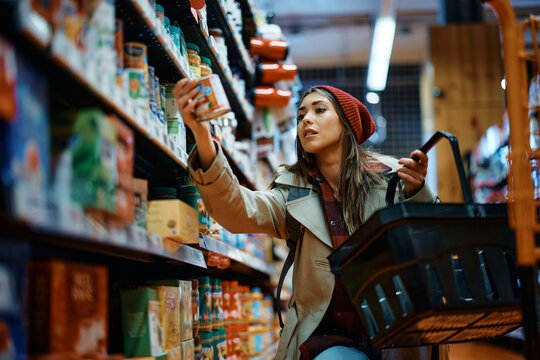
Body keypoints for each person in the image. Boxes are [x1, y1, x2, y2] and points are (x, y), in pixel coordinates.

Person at [173, 79, 449, 360]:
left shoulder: (393, 178)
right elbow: (237, 209)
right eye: (301, 115)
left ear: (346, 124)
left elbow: (435, 240)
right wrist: (202, 135)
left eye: (319, 110)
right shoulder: (292, 192)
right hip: (330, 337)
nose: (306, 120)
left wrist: (418, 192)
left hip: (396, 328)